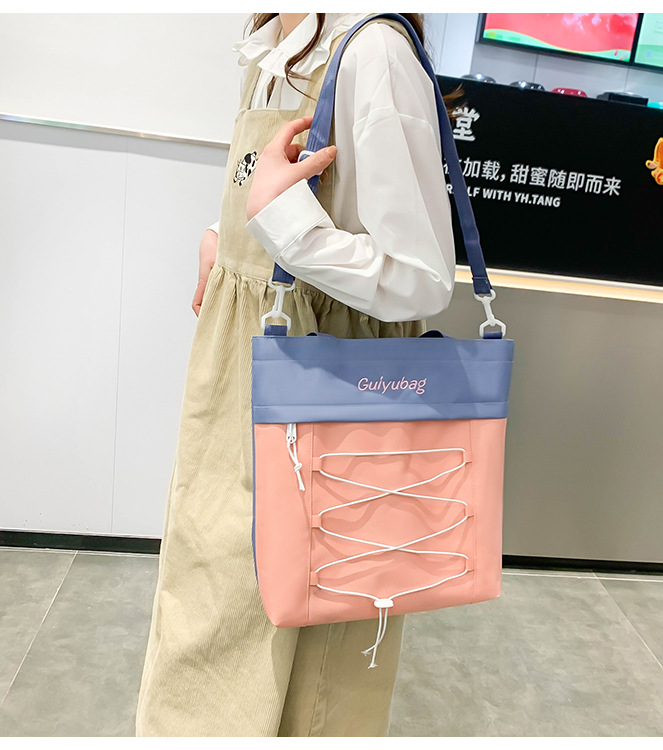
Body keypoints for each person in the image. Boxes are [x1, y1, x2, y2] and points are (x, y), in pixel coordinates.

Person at [135, 12, 457, 737]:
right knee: (209, 599)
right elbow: (274, 186)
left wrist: (279, 225)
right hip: (244, 359)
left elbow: (422, 276)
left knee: (315, 641)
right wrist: (225, 234)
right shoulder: (272, 44)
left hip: (327, 377)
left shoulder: (374, 52)